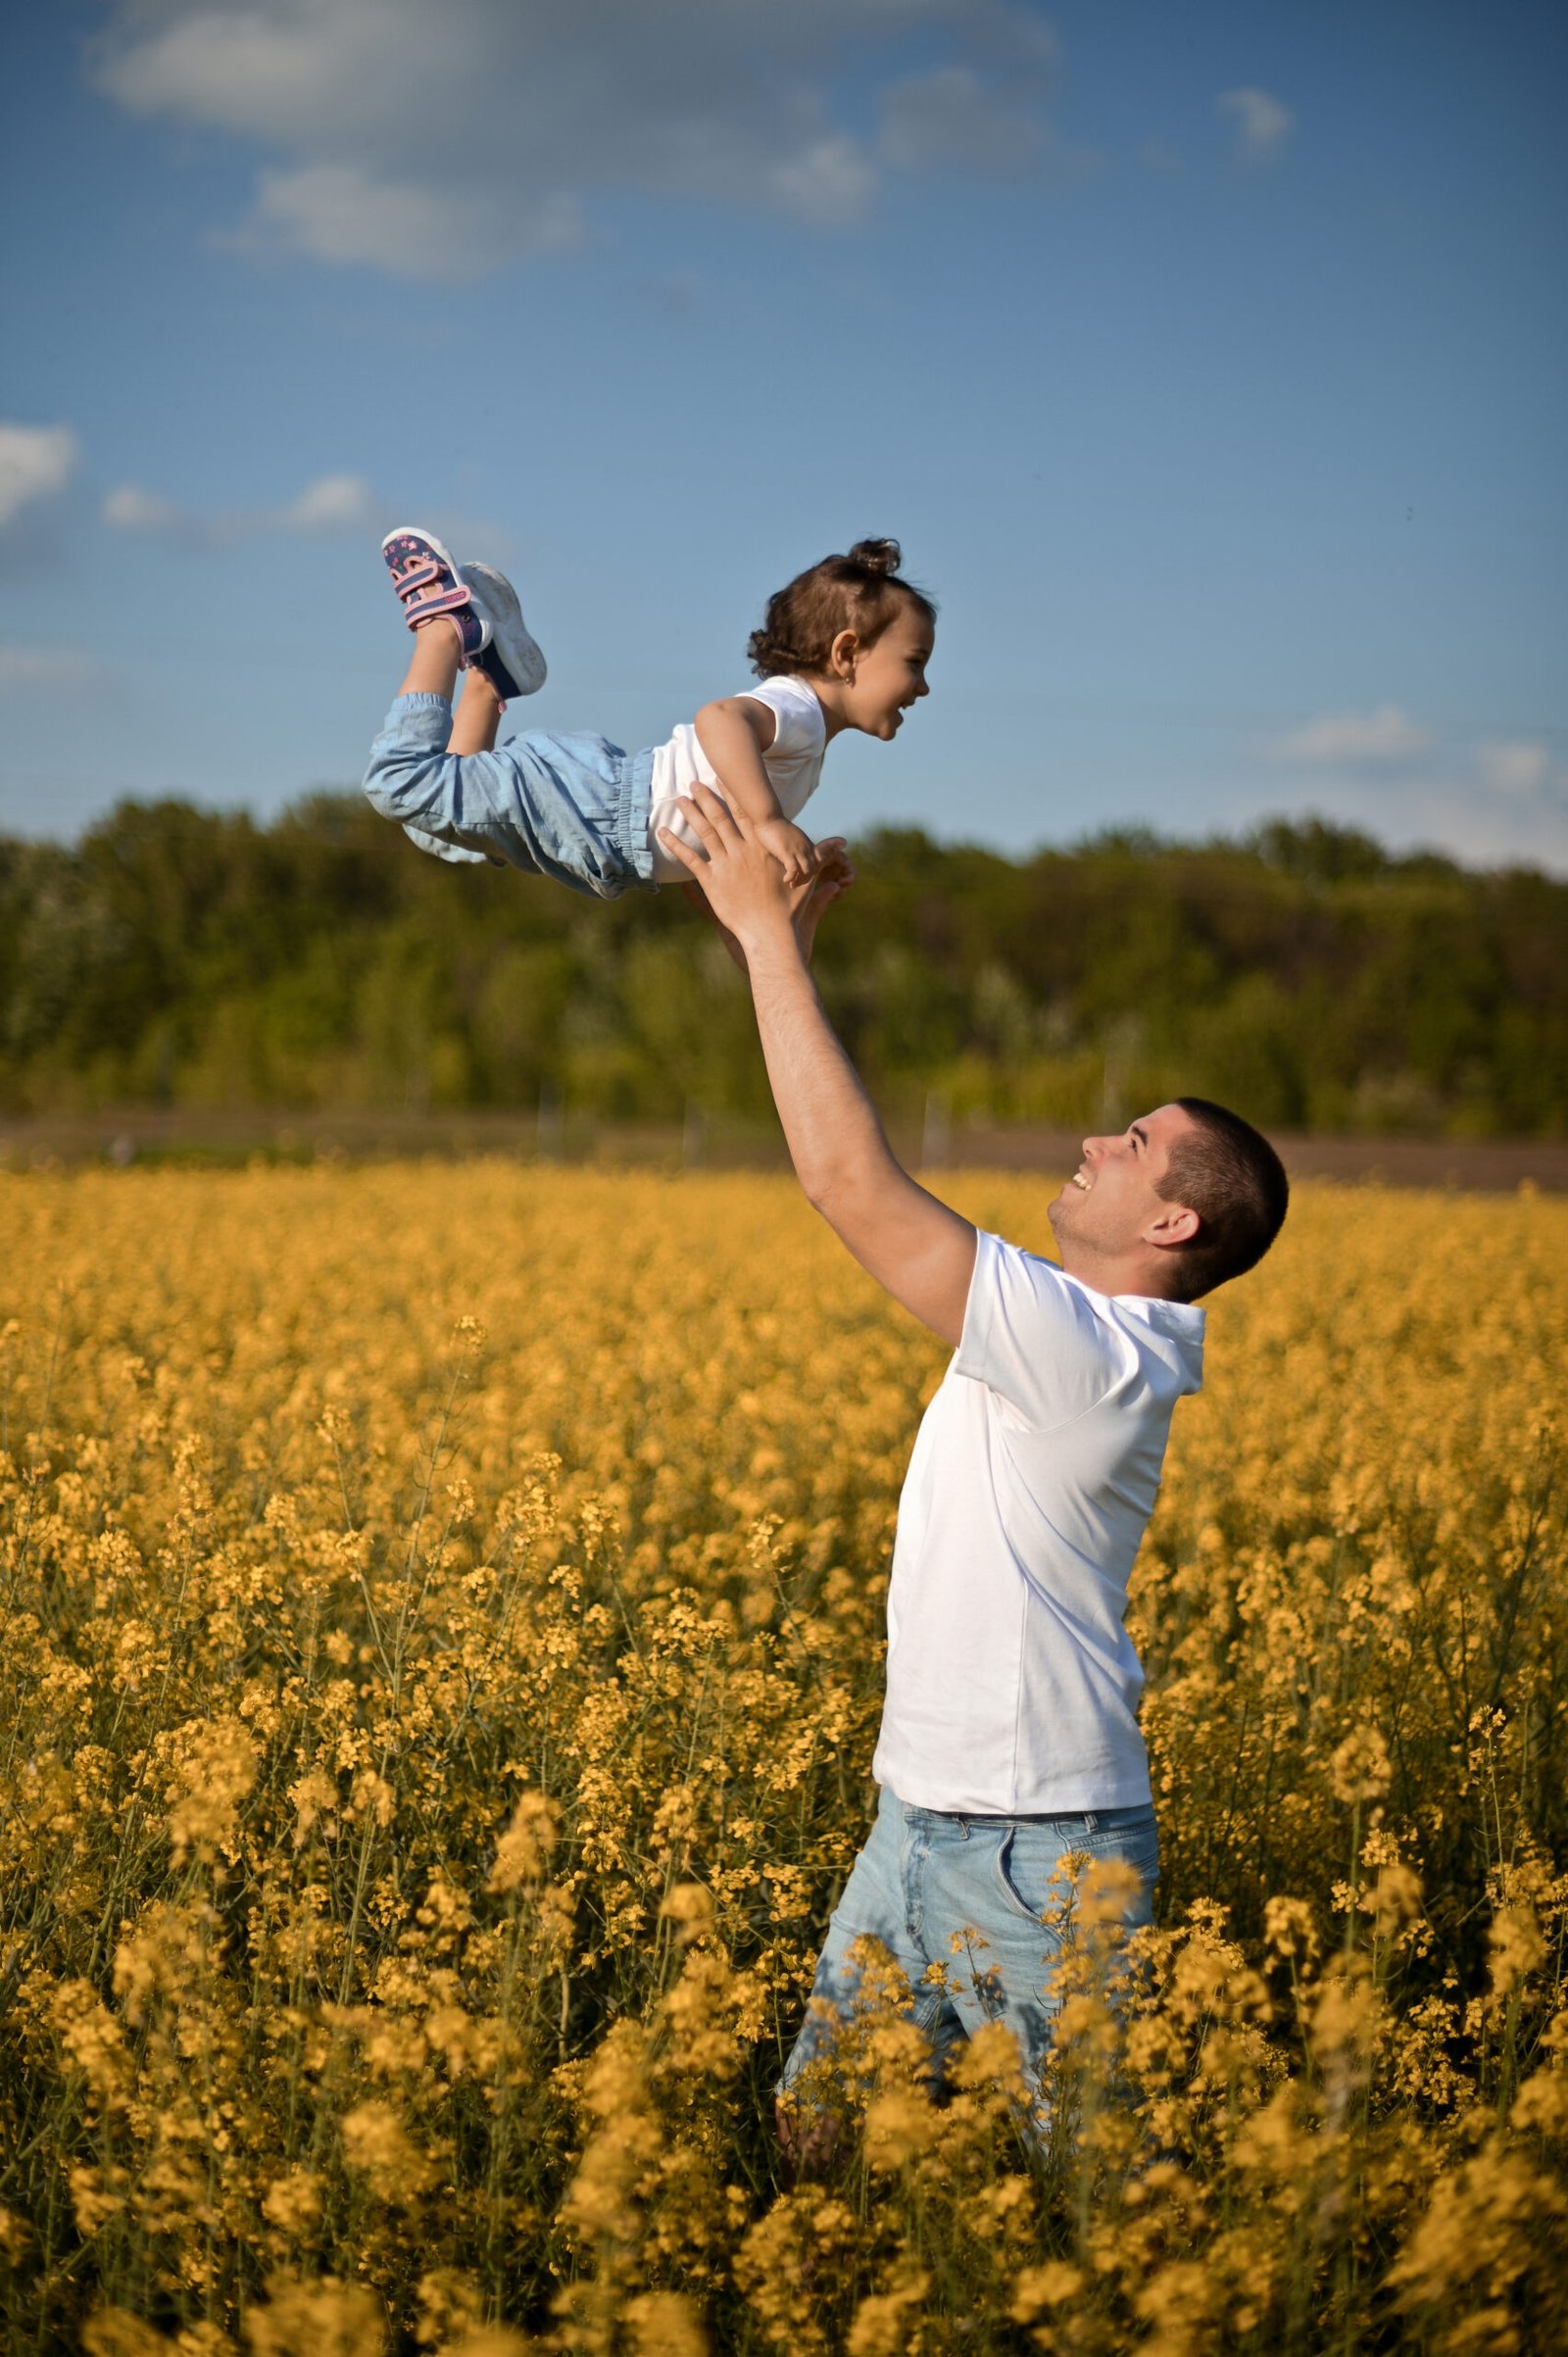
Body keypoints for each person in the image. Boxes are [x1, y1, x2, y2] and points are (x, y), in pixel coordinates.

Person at [655, 780, 1291, 2147]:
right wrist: (789, 953)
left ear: (1171, 1216)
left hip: (1042, 1853)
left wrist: (768, 941)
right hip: (924, 1816)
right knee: (815, 2139)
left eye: (1130, 1145)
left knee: (1091, 2197)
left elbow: (850, 1187)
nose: (1090, 1142)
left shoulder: (1095, 1349)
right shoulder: (1077, 1331)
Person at [361, 529, 934, 898]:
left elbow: (718, 853)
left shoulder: (806, 741)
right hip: (600, 806)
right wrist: (770, 822)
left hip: (603, 833)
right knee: (402, 783)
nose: (923, 686)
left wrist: (797, 866)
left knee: (440, 830)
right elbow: (719, 719)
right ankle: (443, 628)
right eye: (914, 662)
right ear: (847, 652)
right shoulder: (798, 709)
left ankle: (489, 679)